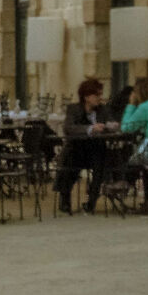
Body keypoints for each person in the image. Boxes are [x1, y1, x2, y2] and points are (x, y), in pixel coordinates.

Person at [56, 75, 114, 214]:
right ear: (87, 97)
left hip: (96, 150)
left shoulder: (103, 110)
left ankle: (92, 201)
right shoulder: (74, 109)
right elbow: (69, 128)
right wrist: (89, 129)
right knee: (70, 162)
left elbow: (110, 122)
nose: (100, 98)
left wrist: (111, 126)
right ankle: (65, 198)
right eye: (97, 95)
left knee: (101, 162)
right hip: (77, 149)